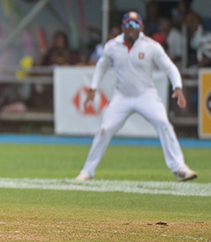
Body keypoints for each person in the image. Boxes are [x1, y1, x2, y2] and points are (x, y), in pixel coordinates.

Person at [74, 11, 197, 182]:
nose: (131, 28)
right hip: (121, 96)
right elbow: (101, 66)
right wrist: (93, 88)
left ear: (141, 27)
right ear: (123, 27)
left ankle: (180, 169)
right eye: (128, 25)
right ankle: (87, 171)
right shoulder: (112, 45)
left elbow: (169, 67)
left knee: (164, 123)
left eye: (135, 25)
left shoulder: (151, 45)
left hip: (146, 95)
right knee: (105, 129)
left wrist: (178, 87)